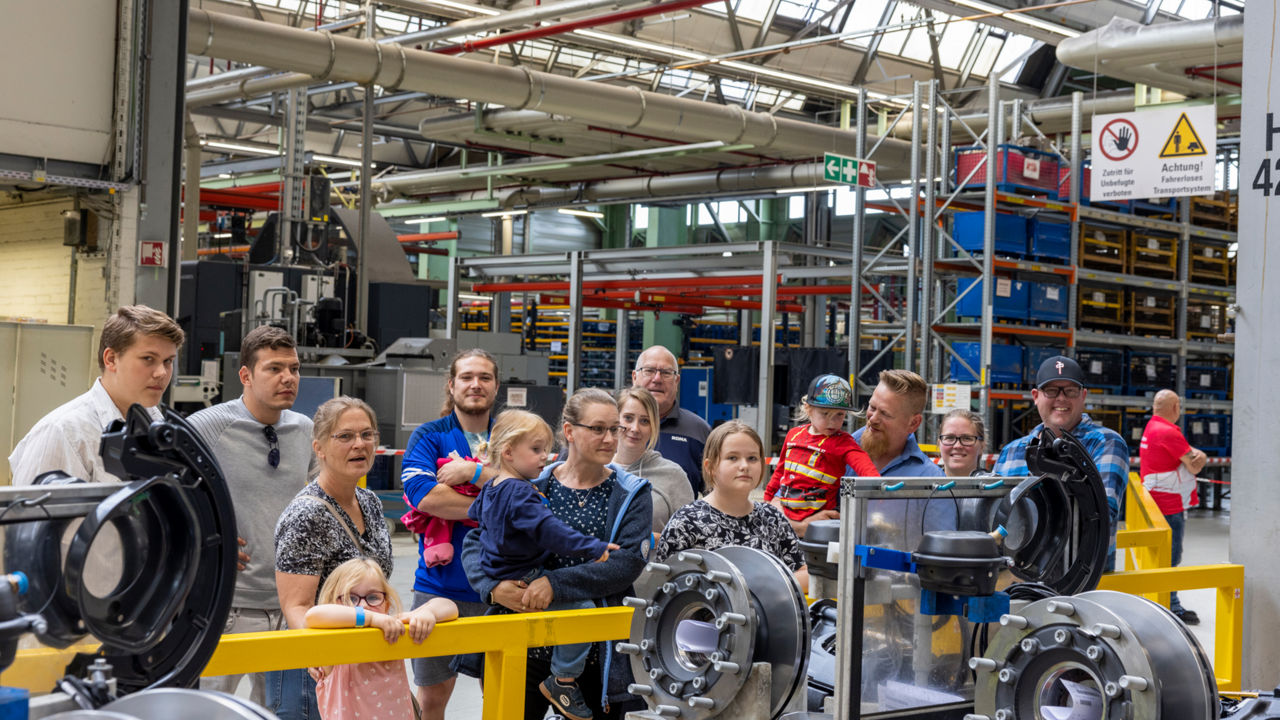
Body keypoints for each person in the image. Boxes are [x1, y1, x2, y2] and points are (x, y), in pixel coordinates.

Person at [461, 388, 653, 720]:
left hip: (597, 654)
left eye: (614, 429)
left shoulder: (631, 493)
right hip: (525, 643)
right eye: (598, 428)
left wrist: (555, 584)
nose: (610, 438)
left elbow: (627, 563)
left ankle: (564, 679)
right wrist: (491, 588)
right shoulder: (531, 483)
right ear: (569, 431)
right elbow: (477, 540)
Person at [189, 326, 316, 714]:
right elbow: (172, 499)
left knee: (283, 714)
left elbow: (316, 503)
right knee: (208, 711)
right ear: (245, 375)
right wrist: (208, 538)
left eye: (293, 369)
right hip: (227, 608)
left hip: (291, 607)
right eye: (274, 368)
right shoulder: (206, 427)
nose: (288, 378)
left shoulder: (305, 430)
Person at [400, 349, 500, 719]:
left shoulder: (510, 435)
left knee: (502, 697)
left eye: (485, 377)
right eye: (467, 377)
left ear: (496, 385)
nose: (476, 384)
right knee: (431, 703)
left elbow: (532, 494)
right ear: (452, 384)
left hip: (501, 591)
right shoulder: (430, 436)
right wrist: (499, 507)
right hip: (437, 591)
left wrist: (472, 478)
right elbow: (424, 495)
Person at [275, 398, 395, 684]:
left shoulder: (370, 503)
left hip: (363, 660)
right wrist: (318, 656)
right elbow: (297, 606)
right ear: (319, 448)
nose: (359, 444)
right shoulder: (307, 514)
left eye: (367, 435)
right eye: (345, 436)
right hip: (319, 667)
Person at [9, 305, 183, 485]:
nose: (161, 373)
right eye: (148, 359)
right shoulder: (64, 433)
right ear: (111, 359)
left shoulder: (157, 422)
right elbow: (34, 511)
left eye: (168, 361)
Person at [993, 355, 1129, 571]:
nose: (1061, 399)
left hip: (1081, 577)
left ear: (1083, 396)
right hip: (1016, 574)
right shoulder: (1011, 451)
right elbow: (994, 513)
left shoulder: (1106, 443)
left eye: (1070, 391)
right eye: (1052, 391)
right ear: (1036, 396)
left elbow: (1103, 513)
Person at [305, 557, 459, 720]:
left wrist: (427, 613)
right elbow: (313, 615)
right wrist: (369, 618)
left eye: (373, 598)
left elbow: (449, 606)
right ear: (332, 602)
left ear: (386, 604)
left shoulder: (391, 629)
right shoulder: (333, 647)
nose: (363, 606)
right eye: (350, 598)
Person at [657, 421, 807, 587]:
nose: (744, 466)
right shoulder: (686, 522)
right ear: (710, 466)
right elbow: (663, 586)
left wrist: (767, 585)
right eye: (732, 458)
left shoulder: (772, 518)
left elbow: (804, 573)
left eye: (752, 458)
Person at [763, 375, 879, 538]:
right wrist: (767, 501)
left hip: (819, 529)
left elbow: (862, 463)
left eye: (839, 414)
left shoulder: (843, 442)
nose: (832, 422)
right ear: (808, 408)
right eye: (825, 413)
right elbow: (780, 472)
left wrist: (877, 484)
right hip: (785, 519)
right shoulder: (793, 435)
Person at [1139, 389, 1208, 625]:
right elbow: (1195, 465)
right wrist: (1203, 456)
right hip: (1169, 506)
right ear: (1176, 407)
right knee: (1172, 556)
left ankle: (1163, 602)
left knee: (1161, 556)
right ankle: (1171, 607)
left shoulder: (1152, 428)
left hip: (1154, 504)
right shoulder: (1169, 432)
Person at [611, 387, 692, 538]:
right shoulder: (596, 469)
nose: (635, 428)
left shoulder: (673, 475)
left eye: (644, 421)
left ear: (653, 426)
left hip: (654, 562)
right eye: (628, 418)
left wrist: (649, 540)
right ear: (615, 420)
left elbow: (690, 538)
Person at [632, 345, 710, 495]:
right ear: (634, 377)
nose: (657, 379)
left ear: (677, 381)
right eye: (649, 371)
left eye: (666, 373)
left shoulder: (698, 431)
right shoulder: (612, 425)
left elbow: (715, 495)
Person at [853, 369, 944, 478]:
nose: (873, 419)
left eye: (885, 414)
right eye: (872, 407)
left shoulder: (929, 478)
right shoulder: (839, 452)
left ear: (913, 423)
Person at [939, 409, 987, 477]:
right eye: (950, 438)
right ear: (939, 443)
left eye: (967, 438)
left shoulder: (998, 486)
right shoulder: (921, 485)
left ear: (982, 446)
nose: (957, 446)